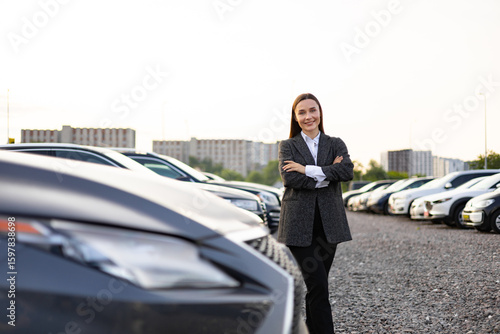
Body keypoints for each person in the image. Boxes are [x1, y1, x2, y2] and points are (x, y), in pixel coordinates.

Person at [278, 93, 354, 334]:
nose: (308, 116)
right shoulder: (287, 146)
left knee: (316, 287)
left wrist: (306, 169)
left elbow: (346, 171)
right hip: (298, 225)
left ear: (320, 112)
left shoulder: (335, 143)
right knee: (318, 284)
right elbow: (290, 178)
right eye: (302, 112)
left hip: (329, 224)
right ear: (295, 117)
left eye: (312, 110)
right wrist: (326, 173)